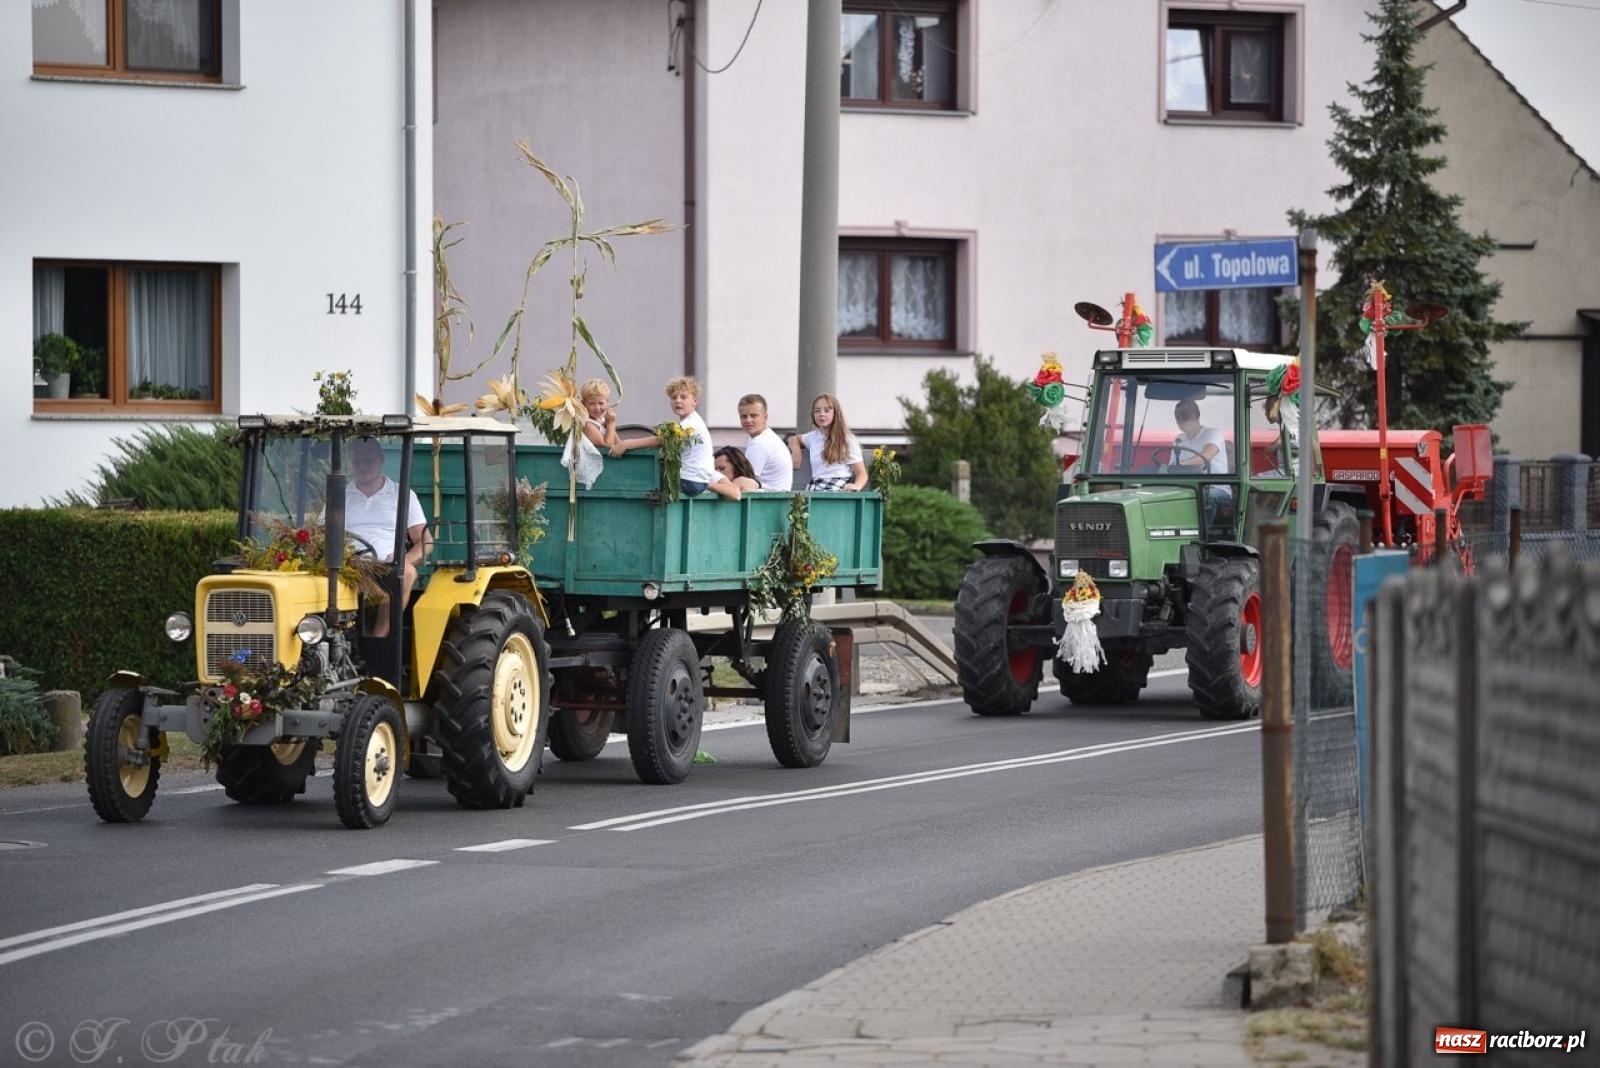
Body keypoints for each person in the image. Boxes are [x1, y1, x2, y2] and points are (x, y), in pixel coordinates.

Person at [346, 437, 430, 637]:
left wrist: (402, 560)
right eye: (358, 461)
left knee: (406, 573)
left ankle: (381, 636)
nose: (363, 466)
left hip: (384, 566)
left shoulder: (402, 495)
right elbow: (321, 531)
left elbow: (425, 541)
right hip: (346, 564)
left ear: (381, 460)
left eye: (369, 460)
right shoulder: (340, 494)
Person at [611, 375, 742, 500]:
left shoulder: (691, 423)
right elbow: (736, 495)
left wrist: (627, 444)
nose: (678, 401)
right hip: (700, 479)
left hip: (689, 481)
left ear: (695, 401)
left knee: (640, 477)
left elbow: (662, 440)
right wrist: (710, 485)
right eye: (674, 398)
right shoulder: (695, 421)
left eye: (683, 397)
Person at [789, 393, 867, 491]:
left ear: (835, 413)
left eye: (827, 410)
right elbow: (795, 439)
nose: (822, 414)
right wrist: (796, 451)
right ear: (813, 415)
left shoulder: (847, 439)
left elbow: (861, 473)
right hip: (816, 486)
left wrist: (856, 486)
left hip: (837, 487)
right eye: (817, 411)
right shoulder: (813, 437)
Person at [562, 378, 619, 489]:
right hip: (598, 477)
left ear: (607, 402)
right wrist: (611, 424)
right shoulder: (587, 424)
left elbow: (618, 444)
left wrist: (609, 425)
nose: (597, 407)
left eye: (601, 403)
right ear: (584, 404)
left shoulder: (603, 421)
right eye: (592, 403)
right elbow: (608, 446)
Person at [737, 393, 793, 491]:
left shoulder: (759, 443)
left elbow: (746, 482)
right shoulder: (767, 437)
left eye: (754, 416)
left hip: (766, 502)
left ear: (765, 417)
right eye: (744, 416)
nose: (748, 420)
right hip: (775, 499)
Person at [1170, 398, 1229, 474]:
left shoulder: (1213, 434)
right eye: (1178, 418)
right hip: (1186, 484)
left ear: (1197, 416)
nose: (1182, 421)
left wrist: (1181, 466)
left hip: (1213, 485)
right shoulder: (1178, 440)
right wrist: (1160, 471)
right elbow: (1171, 466)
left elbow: (1206, 456)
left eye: (1186, 417)